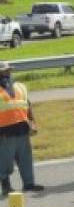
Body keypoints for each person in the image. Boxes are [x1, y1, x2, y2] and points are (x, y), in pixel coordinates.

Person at [0, 61, 44, 196]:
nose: (7, 72)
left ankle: (29, 183)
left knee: (26, 158)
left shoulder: (20, 86)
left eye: (9, 70)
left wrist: (33, 123)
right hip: (4, 131)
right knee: (5, 160)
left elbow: (28, 105)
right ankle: (6, 185)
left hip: (22, 128)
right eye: (4, 70)